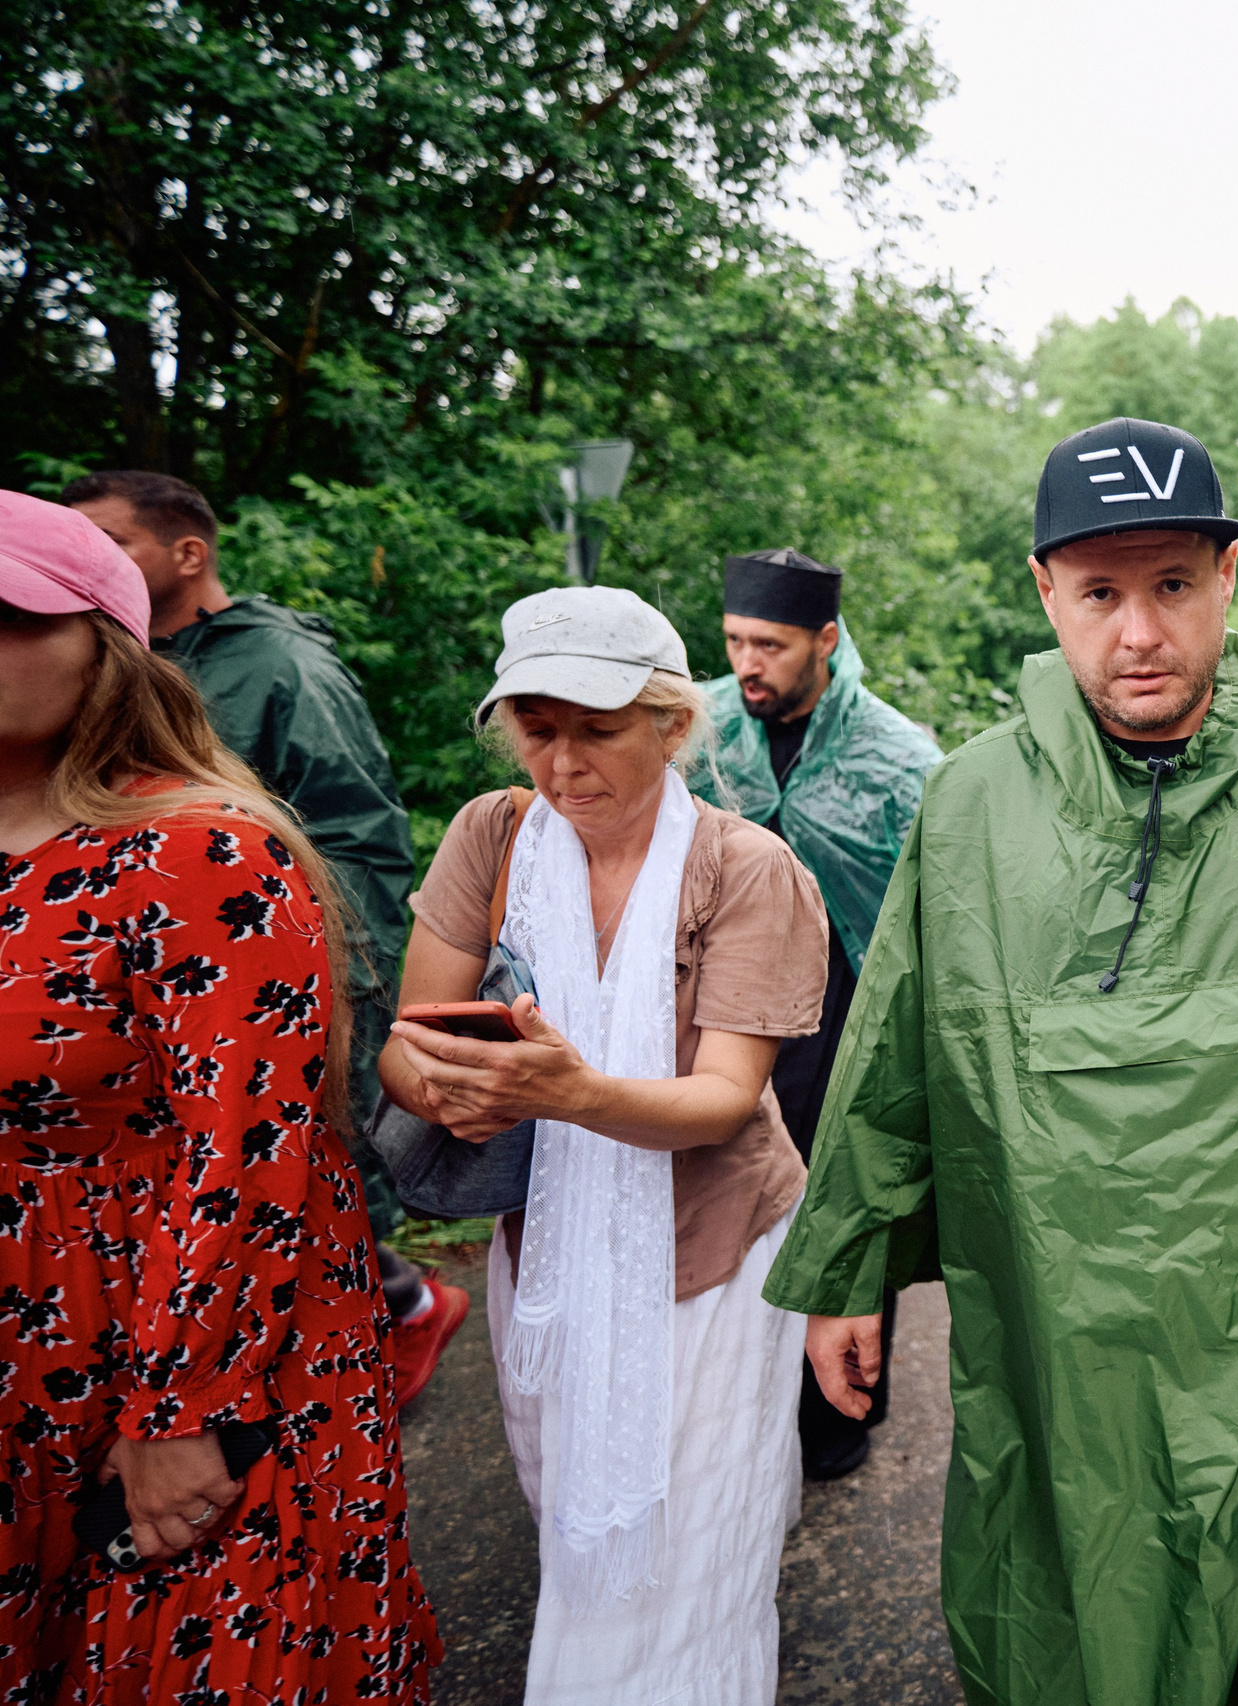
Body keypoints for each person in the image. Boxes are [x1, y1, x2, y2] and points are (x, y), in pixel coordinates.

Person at [764, 417, 1238, 1705]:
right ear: (1044, 591)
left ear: (1227, 575)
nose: (1139, 632)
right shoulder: (972, 803)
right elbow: (898, 1045)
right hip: (1052, 1316)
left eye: (1173, 584)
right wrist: (848, 1275)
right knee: (1066, 1605)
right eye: (1101, 593)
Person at [0, 490, 439, 1699]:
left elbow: (247, 1147)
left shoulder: (206, 835)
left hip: (173, 1329)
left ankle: (411, 1295)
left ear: (108, 641)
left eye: (12, 614)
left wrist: (180, 1404)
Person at [379, 586, 827, 1703]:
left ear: (672, 725)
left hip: (715, 1250)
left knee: (687, 1560)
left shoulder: (744, 868)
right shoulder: (492, 835)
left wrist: (569, 1092)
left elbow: (723, 1099)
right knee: (578, 1526)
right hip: (551, 1248)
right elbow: (404, 1045)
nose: (564, 761)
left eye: (598, 728)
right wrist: (449, 1087)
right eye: (537, 727)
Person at [64, 469, 467, 1405]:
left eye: (110, 541)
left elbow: (361, 833)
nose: (87, 558)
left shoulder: (283, 664)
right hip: (144, 970)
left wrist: (336, 971)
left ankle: (390, 1321)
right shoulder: (108, 655)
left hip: (277, 968)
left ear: (188, 553)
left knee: (297, 1161)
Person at [693, 546, 942, 1480]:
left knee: (843, 1193)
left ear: (825, 640)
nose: (747, 663)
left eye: (771, 645)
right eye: (735, 642)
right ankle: (730, 1408)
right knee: (729, 1193)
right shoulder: (698, 727)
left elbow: (934, 897)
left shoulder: (896, 755)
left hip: (844, 1006)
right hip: (722, 1002)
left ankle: (835, 1417)